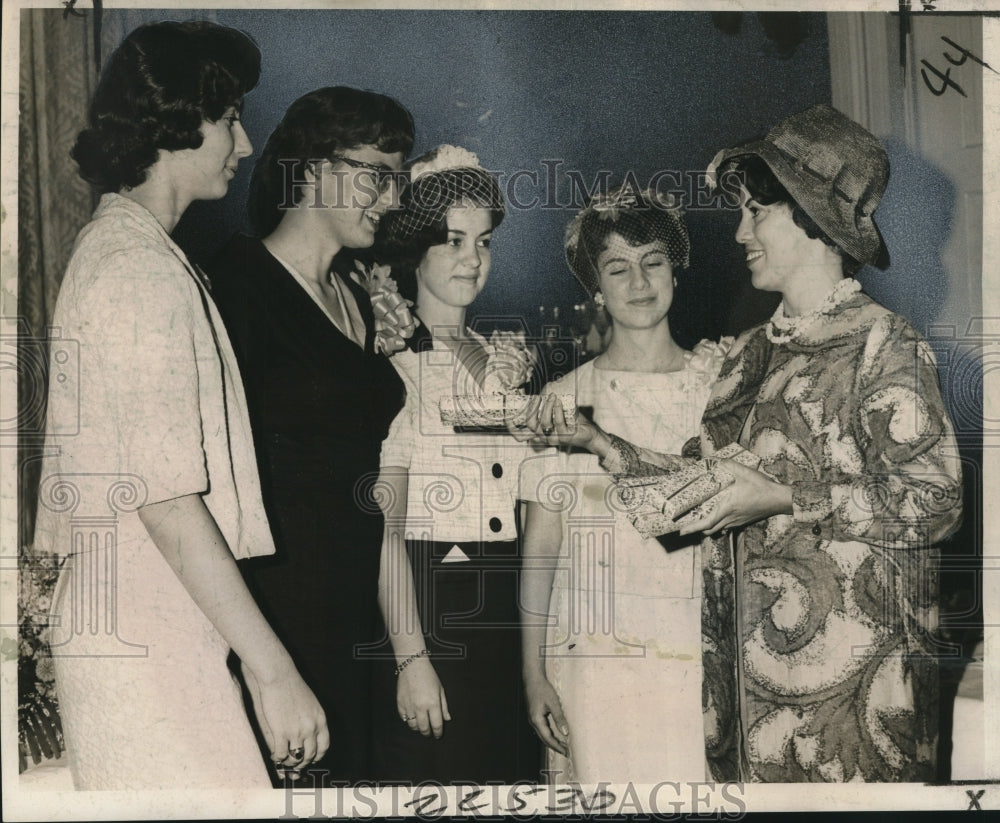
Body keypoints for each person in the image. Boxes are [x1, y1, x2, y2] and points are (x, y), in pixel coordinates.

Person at [529, 104, 963, 782]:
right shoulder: (746, 356)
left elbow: (935, 501)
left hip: (848, 714)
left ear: (811, 218)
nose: (739, 233)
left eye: (755, 213)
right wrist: (597, 439)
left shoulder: (883, 342)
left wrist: (788, 495)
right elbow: (702, 482)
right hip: (743, 712)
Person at [33, 21, 327, 789]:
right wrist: (275, 671)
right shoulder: (137, 269)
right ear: (177, 122)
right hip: (143, 634)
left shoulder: (131, 249)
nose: (246, 140)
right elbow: (167, 502)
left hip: (147, 625)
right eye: (230, 117)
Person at [206, 86, 415, 784]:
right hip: (281, 619)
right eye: (377, 174)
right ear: (314, 169)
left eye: (400, 177)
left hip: (354, 620)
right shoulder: (238, 284)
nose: (392, 197)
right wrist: (267, 666)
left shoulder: (353, 293)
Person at [512, 186, 728, 783]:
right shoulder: (561, 402)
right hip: (594, 656)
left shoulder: (719, 385)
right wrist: (533, 675)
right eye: (618, 267)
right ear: (595, 288)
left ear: (676, 272)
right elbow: (541, 550)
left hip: (696, 648)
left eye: (653, 260)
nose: (639, 281)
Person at [371, 145, 544, 783]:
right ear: (414, 248)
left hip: (504, 608)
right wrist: (409, 659)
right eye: (452, 241)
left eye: (485, 241)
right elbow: (384, 532)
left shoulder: (502, 359)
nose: (473, 258)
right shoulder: (391, 364)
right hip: (432, 609)